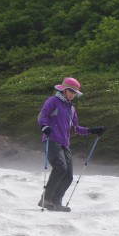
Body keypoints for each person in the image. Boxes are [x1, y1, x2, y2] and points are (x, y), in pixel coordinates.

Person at [37, 77, 105, 212]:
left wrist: (92, 131)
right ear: (64, 90)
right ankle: (45, 199)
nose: (73, 95)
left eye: (75, 93)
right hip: (51, 140)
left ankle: (56, 202)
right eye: (71, 92)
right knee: (60, 167)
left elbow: (76, 128)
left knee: (68, 175)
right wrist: (44, 127)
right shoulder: (53, 101)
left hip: (64, 144)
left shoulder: (72, 108)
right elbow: (42, 115)